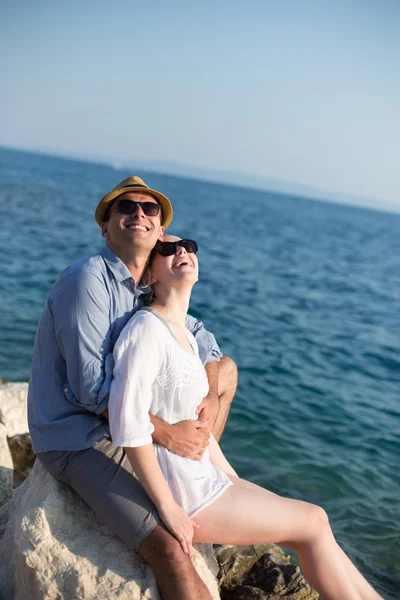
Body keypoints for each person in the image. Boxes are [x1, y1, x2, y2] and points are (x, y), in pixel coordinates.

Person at [108, 234, 384, 600]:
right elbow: (128, 422)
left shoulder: (188, 337)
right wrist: (167, 507)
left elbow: (201, 429)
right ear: (150, 276)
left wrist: (232, 480)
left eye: (188, 246)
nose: (182, 252)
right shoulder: (145, 330)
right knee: (313, 520)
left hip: (205, 476)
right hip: (183, 491)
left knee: (314, 528)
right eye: (168, 250)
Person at [28, 176, 238, 600]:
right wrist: (169, 435)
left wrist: (207, 405)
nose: (138, 213)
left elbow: (207, 344)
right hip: (77, 439)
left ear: (160, 231)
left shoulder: (146, 289)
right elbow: (89, 391)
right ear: (105, 228)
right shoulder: (88, 280)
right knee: (171, 547)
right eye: (125, 208)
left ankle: (195, 477)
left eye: (149, 209)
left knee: (227, 372)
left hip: (125, 433)